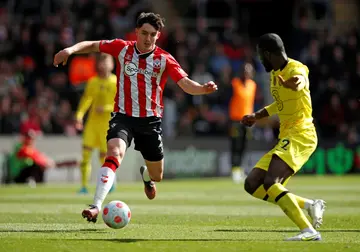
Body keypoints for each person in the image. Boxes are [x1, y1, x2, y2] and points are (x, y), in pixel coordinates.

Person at [53, 12, 218, 223]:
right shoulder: (122, 48)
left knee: (157, 174)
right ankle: (95, 205)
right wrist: (70, 50)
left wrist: (202, 89)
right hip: (123, 116)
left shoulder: (164, 59)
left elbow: (185, 83)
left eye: (152, 35)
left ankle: (147, 178)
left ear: (158, 36)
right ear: (137, 32)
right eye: (144, 33)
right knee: (114, 152)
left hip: (150, 122)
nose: (147, 38)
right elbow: (93, 45)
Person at [242, 33, 325, 241]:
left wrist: (293, 84)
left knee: (272, 182)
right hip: (287, 136)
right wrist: (256, 115)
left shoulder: (296, 69)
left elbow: (300, 82)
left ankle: (309, 231)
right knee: (252, 184)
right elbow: (279, 104)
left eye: (262, 56)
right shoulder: (274, 74)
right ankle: (309, 205)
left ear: (269, 54)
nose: (261, 60)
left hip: (301, 134)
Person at [74, 53, 117, 194]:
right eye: (102, 62)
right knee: (85, 155)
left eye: (107, 62)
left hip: (107, 125)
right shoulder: (92, 81)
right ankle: (84, 186)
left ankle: (109, 183)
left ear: (112, 64)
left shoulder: (116, 82)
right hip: (92, 124)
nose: (104, 65)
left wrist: (105, 108)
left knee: (104, 158)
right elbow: (86, 100)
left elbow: (120, 104)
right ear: (98, 64)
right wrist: (79, 116)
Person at [228, 63, 256, 183]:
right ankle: (234, 170)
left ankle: (240, 170)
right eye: (245, 71)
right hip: (235, 120)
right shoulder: (234, 83)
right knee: (235, 145)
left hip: (247, 121)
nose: (246, 74)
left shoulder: (252, 85)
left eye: (249, 71)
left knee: (244, 146)